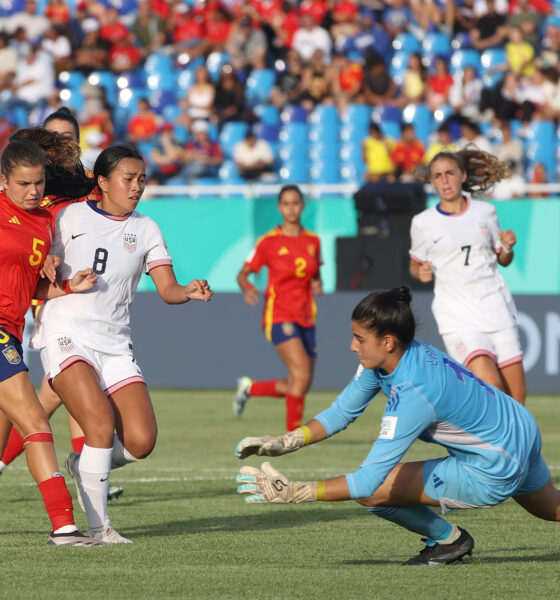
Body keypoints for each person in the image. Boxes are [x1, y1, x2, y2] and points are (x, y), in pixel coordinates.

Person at [235, 287, 560, 566]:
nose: (352, 346)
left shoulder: (413, 395)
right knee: (553, 509)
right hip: (521, 428)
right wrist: (289, 440)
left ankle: (450, 540)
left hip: (493, 467)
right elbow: (341, 412)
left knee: (376, 493)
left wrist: (298, 492)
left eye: (360, 339)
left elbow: (367, 482)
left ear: (387, 341)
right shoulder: (402, 355)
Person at [29, 144, 213, 544]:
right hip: (67, 331)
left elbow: (167, 289)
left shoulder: (146, 228)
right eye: (128, 179)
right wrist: (47, 263)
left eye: (142, 180)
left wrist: (189, 290)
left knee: (141, 441)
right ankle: (100, 529)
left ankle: (84, 465)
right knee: (97, 423)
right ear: (102, 182)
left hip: (114, 341)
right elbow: (36, 265)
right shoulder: (68, 216)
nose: (136, 188)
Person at [0, 112, 124, 502]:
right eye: (56, 138)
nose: (63, 145)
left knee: (38, 393)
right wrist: (48, 257)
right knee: (49, 391)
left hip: (75, 292)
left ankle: (76, 459)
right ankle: (81, 463)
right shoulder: (31, 194)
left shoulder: (82, 188)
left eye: (69, 137)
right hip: (48, 298)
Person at [409, 148, 526, 405]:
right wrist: (421, 272)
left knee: (517, 401)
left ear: (462, 175)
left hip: (496, 309)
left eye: (450, 173)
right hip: (457, 317)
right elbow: (414, 266)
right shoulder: (423, 222)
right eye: (438, 175)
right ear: (432, 181)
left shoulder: (485, 212)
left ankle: (516, 446)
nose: (445, 180)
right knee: (493, 388)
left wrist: (508, 247)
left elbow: (503, 260)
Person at [234, 185, 323, 432]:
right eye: (286, 203)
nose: (291, 208)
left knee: (300, 382)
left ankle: (250, 388)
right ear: (279, 208)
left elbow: (315, 274)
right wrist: (247, 287)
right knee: (301, 376)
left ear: (303, 205)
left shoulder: (313, 240)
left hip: (307, 315)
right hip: (279, 314)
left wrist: (318, 284)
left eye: (295, 203)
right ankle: (293, 436)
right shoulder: (269, 241)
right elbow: (243, 274)